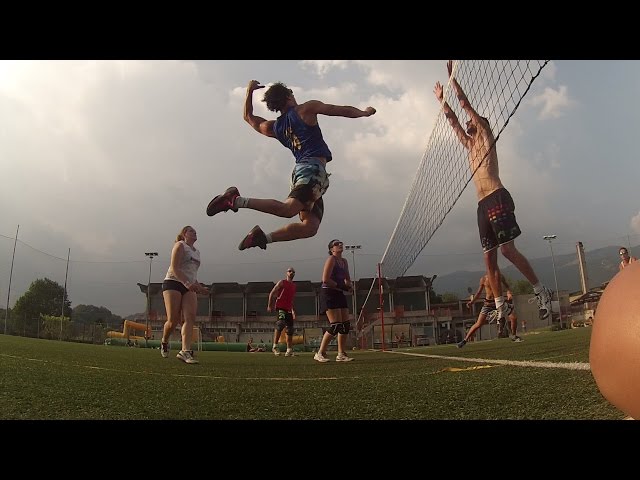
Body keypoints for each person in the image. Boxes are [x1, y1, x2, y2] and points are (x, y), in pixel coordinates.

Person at [434, 60, 552, 324]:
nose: (467, 123)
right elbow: (453, 120)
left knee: (508, 251)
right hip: (482, 205)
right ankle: (500, 306)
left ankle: (541, 291)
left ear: (480, 123)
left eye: (471, 121)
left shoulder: (486, 135)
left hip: (497, 195)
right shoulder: (469, 145)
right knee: (489, 258)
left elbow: (465, 107)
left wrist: (453, 79)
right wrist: (441, 101)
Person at [206, 80, 376, 251]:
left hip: (304, 173)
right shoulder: (305, 109)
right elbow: (339, 110)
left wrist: (249, 91)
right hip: (312, 172)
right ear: (288, 96)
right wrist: (364, 112)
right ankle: (235, 200)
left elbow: (249, 118)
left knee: (310, 228)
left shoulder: (274, 127)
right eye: (292, 93)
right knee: (288, 210)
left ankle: (262, 238)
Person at [160, 226, 209, 364]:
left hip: (189, 285)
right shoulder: (180, 245)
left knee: (190, 317)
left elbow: (192, 274)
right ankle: (164, 341)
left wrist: (199, 287)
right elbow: (175, 268)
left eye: (195, 230)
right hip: (173, 282)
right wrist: (187, 283)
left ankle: (185, 351)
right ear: (184, 234)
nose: (194, 232)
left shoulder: (197, 252)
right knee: (173, 320)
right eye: (191, 230)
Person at [314, 239, 354, 362]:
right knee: (336, 325)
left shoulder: (344, 261)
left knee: (345, 325)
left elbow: (347, 279)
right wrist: (340, 286)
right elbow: (325, 279)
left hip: (338, 292)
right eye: (336, 244)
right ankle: (320, 353)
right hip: (329, 293)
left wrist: (350, 286)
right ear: (332, 249)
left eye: (341, 243)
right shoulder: (331, 259)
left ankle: (341, 354)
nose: (340, 245)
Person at [458, 272, 522, 348]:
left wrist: (509, 293)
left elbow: (507, 285)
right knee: (479, 323)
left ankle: (514, 335)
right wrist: (472, 302)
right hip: (488, 304)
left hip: (499, 302)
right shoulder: (484, 279)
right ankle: (465, 340)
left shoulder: (499, 276)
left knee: (513, 318)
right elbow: (478, 292)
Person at [267, 267, 297, 357]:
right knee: (280, 324)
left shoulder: (294, 286)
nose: (291, 273)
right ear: (286, 273)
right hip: (280, 307)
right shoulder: (282, 282)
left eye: (293, 272)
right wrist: (269, 305)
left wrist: (293, 311)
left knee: (290, 329)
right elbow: (272, 293)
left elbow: (291, 300)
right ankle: (275, 346)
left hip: (288, 309)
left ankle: (289, 350)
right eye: (289, 271)